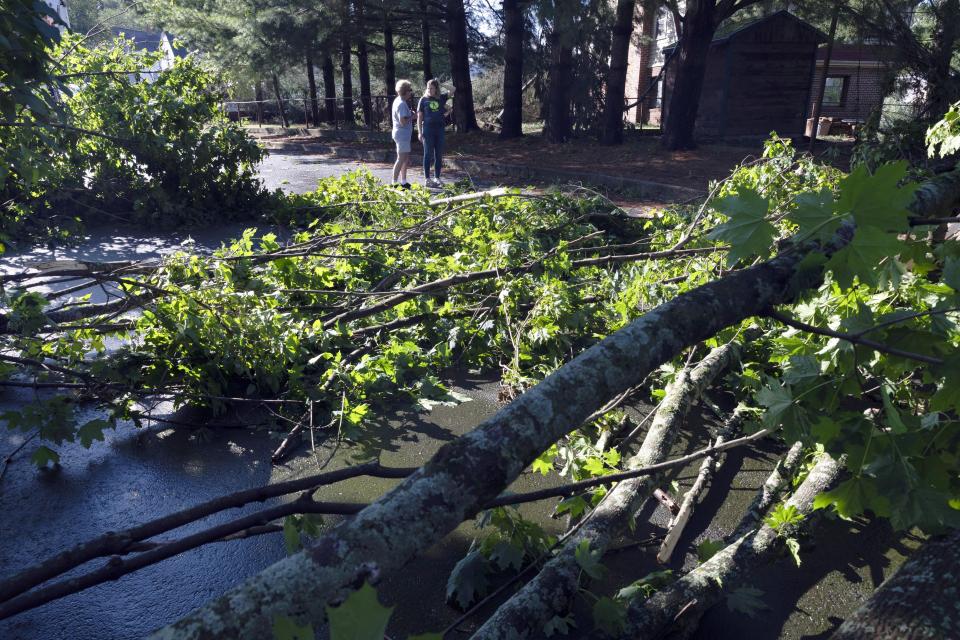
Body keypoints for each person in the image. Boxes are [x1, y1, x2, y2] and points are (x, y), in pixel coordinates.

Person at [417, 79, 453, 188]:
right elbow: (419, 117)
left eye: (432, 88)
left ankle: (437, 178)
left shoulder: (441, 98)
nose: (429, 90)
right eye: (428, 88)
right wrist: (419, 132)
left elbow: (453, 89)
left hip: (440, 130)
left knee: (438, 154)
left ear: (436, 89)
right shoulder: (423, 100)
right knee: (427, 154)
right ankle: (427, 179)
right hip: (428, 130)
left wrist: (441, 83)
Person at [391, 79, 414, 188]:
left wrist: (410, 115)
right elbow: (403, 121)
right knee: (400, 159)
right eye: (410, 90)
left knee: (405, 158)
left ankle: (403, 181)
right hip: (402, 135)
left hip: (402, 135)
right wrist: (413, 117)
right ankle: (394, 183)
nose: (411, 92)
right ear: (405, 91)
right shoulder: (401, 104)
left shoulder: (399, 100)